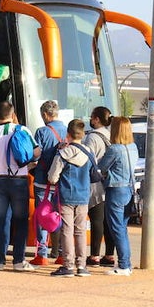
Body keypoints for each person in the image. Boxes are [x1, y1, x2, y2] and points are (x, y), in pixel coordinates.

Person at [0, 100, 40, 271]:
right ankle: (19, 261)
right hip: (19, 181)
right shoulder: (23, 130)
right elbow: (37, 152)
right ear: (12, 115)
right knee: (20, 221)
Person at [47, 119, 93, 277]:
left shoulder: (63, 153)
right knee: (80, 230)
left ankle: (68, 265)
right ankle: (82, 265)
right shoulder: (89, 152)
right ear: (83, 134)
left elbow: (52, 177)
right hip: (84, 195)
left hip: (66, 196)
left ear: (68, 134)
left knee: (67, 230)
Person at [30, 100, 68, 264]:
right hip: (61, 183)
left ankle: (42, 254)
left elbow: (35, 155)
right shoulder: (68, 131)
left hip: (42, 181)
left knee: (42, 216)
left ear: (45, 114)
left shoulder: (42, 132)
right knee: (59, 216)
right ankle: (61, 253)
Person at [99, 116, 138, 275]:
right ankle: (126, 263)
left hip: (115, 190)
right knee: (122, 227)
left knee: (116, 228)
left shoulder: (114, 149)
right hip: (129, 189)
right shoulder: (133, 147)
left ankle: (123, 265)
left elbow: (101, 166)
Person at [82, 106, 114, 266]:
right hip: (109, 182)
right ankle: (109, 255)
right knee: (109, 221)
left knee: (96, 219)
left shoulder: (92, 138)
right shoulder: (110, 135)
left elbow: (88, 159)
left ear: (96, 119)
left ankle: (94, 255)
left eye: (92, 117)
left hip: (95, 183)